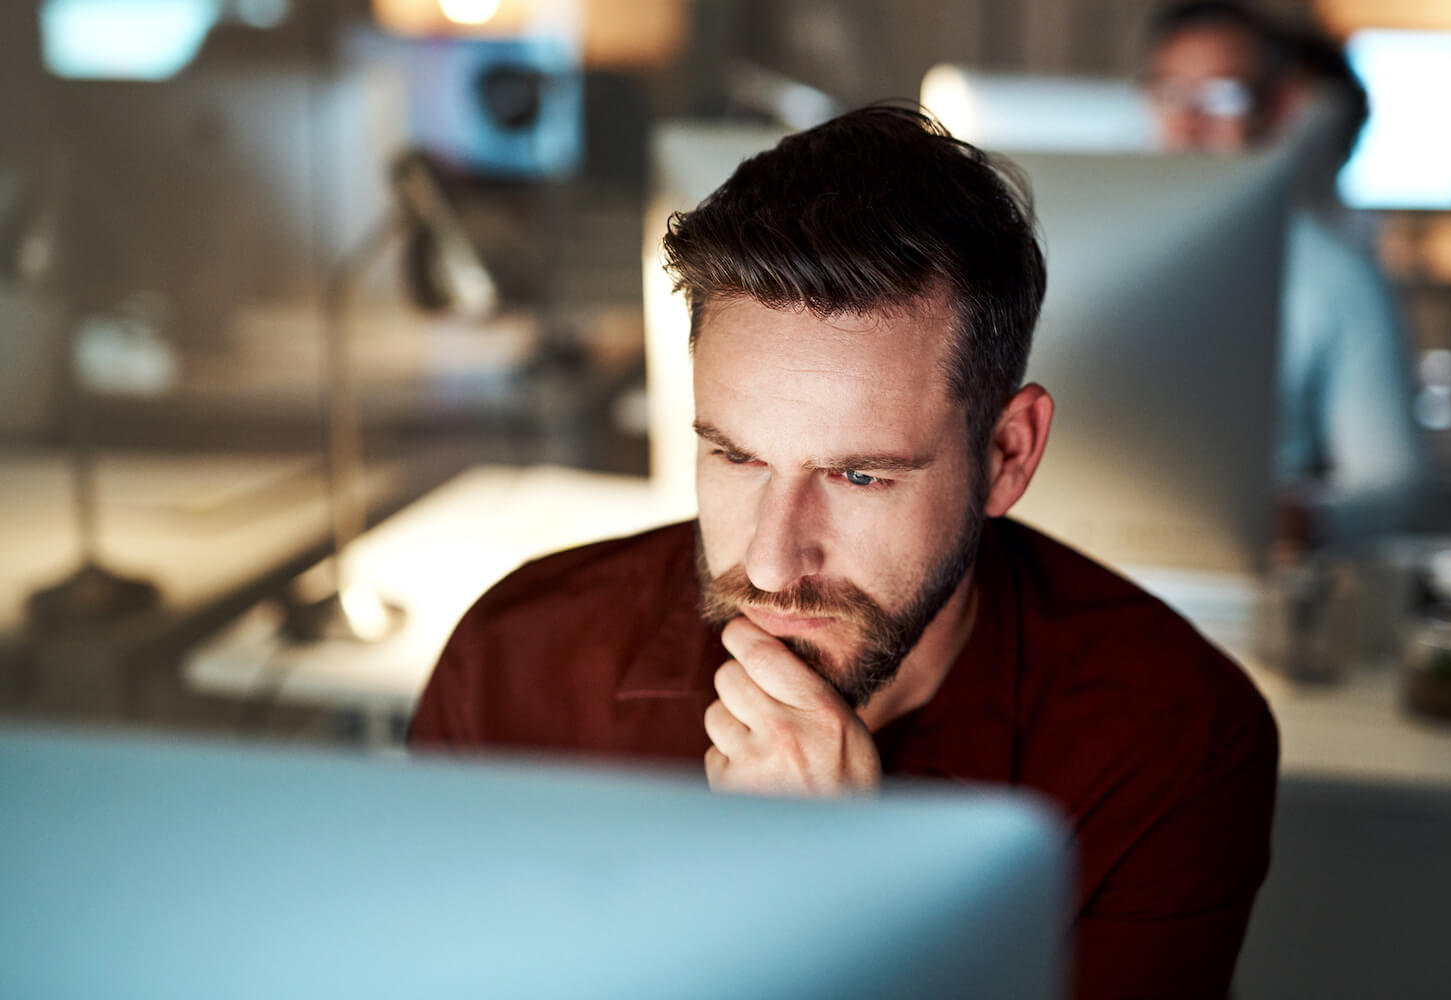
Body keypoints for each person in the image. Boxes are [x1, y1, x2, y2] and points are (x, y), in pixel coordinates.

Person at [409, 105, 1278, 998]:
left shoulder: (1173, 737)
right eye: (738, 456)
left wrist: (824, 889)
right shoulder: (514, 664)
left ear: (1007, 455)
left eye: (861, 477)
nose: (775, 565)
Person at [1144, 1, 1427, 547]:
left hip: (1246, 569)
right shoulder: (1083, 246)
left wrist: (1302, 519)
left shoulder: (1337, 277)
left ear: (1279, 109)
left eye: (1222, 97)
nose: (1189, 124)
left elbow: (1392, 480)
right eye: (1170, 95)